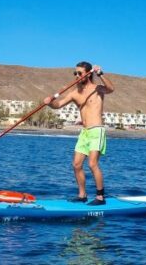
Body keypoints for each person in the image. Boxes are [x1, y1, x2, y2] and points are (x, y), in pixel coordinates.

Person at [44, 61, 115, 206]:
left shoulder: (98, 89)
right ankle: (82, 195)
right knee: (76, 165)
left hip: (97, 130)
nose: (76, 75)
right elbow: (58, 105)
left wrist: (100, 74)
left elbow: (111, 88)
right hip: (84, 132)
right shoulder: (75, 93)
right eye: (75, 73)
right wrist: (50, 102)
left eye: (79, 73)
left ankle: (100, 197)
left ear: (88, 74)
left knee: (92, 164)